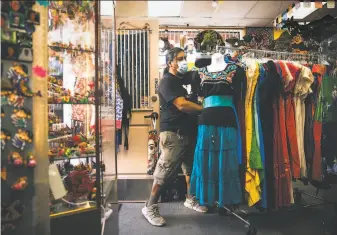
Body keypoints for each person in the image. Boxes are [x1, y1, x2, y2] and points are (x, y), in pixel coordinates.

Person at [142, 47, 207, 227]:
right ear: (170, 62)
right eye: (180, 58)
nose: (184, 61)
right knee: (164, 172)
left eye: (185, 57)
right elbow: (182, 104)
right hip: (173, 134)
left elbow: (195, 88)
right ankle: (150, 206)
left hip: (189, 132)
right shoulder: (166, 82)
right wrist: (205, 109)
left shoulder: (185, 79)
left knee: (191, 169)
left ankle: (190, 198)